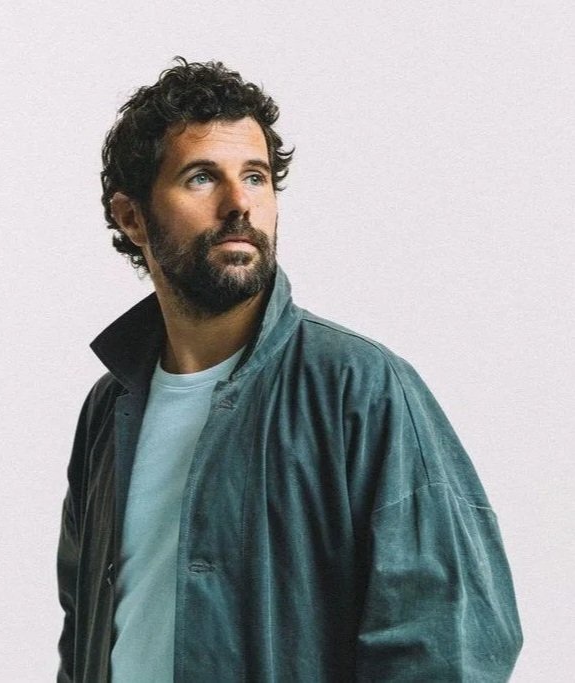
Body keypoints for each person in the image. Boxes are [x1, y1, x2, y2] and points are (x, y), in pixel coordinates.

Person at [57, 57, 522, 682]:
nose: (238, 204)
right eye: (201, 178)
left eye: (255, 177)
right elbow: (84, 630)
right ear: (131, 217)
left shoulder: (360, 389)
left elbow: (448, 643)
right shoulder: (110, 408)